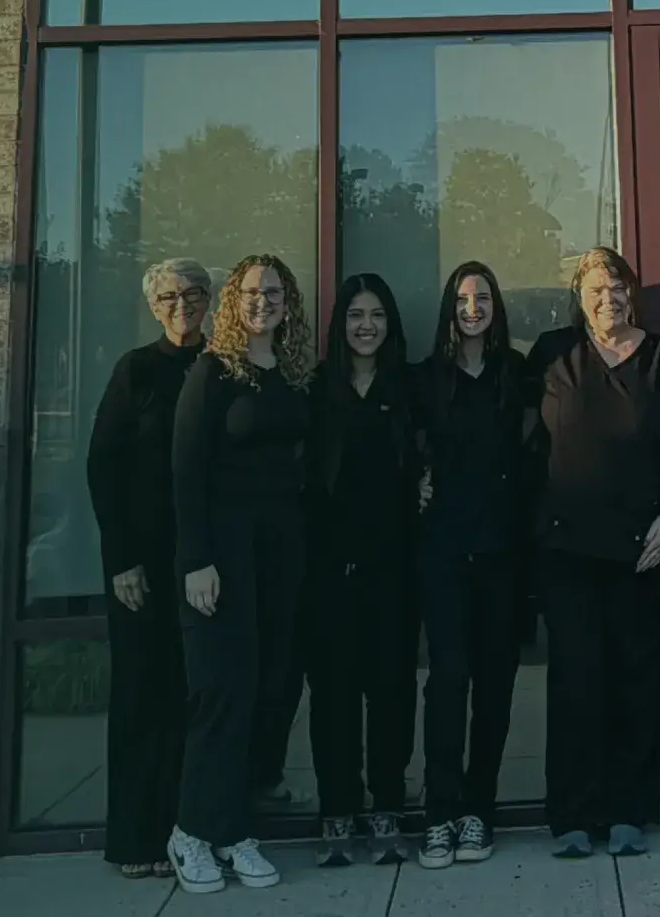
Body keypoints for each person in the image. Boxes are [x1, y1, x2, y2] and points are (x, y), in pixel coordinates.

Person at [526, 248, 660, 860]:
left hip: (644, 547)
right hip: (567, 547)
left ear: (631, 293)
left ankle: (628, 811)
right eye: (595, 289)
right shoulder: (551, 353)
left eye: (616, 287)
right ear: (579, 296)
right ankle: (572, 813)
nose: (607, 299)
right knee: (575, 682)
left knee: (636, 680)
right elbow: (507, 431)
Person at [167, 253, 315, 893]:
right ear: (234, 300)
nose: (264, 301)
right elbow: (186, 472)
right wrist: (195, 560)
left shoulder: (286, 374)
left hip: (278, 557)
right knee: (223, 694)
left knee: (265, 688)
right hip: (221, 560)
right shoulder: (212, 373)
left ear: (289, 303)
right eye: (252, 291)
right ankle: (191, 832)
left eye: (275, 292)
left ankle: (232, 831)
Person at [85, 259, 212, 878]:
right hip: (144, 565)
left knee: (195, 700)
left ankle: (190, 830)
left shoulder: (221, 367)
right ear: (154, 306)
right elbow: (103, 469)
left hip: (205, 561)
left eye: (194, 293)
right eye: (170, 296)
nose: (183, 304)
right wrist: (122, 561)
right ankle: (138, 839)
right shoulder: (135, 370)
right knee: (142, 697)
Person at [410, 260, 531, 868]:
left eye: (483, 297)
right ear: (449, 310)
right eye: (463, 298)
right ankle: (441, 812)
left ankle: (479, 810)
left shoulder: (516, 373)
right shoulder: (426, 379)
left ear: (495, 307)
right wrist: (414, 484)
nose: (473, 307)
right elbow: (390, 449)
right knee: (449, 679)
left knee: (496, 685)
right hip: (444, 551)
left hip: (504, 553)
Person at [299, 272, 419, 867]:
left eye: (376, 314)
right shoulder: (317, 389)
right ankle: (336, 812)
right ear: (339, 325)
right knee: (334, 699)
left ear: (389, 323)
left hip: (394, 570)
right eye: (354, 315)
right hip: (328, 573)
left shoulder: (409, 388)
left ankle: (388, 808)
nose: (366, 325)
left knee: (392, 695)